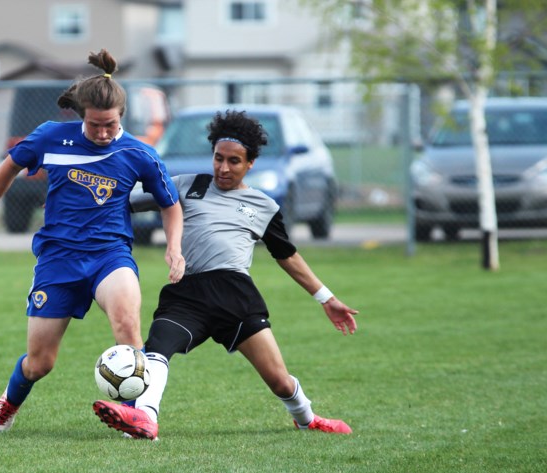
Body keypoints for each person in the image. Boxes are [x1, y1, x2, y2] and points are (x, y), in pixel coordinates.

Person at [92, 109, 358, 440]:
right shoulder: (187, 186)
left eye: (234, 161)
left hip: (235, 296)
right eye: (218, 158)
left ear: (250, 164)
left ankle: (307, 418)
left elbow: (287, 255)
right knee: (157, 348)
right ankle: (145, 418)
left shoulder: (263, 206)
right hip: (187, 294)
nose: (223, 168)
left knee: (278, 380)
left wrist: (326, 298)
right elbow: (122, 201)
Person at [0, 49, 185, 432]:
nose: (102, 133)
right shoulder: (50, 137)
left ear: (121, 118)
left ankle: (137, 417)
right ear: (82, 116)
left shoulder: (138, 153)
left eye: (109, 125)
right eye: (95, 125)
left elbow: (170, 203)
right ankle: (9, 402)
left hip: (110, 256)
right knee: (40, 363)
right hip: (58, 259)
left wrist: (174, 247)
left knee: (128, 329)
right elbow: (10, 165)